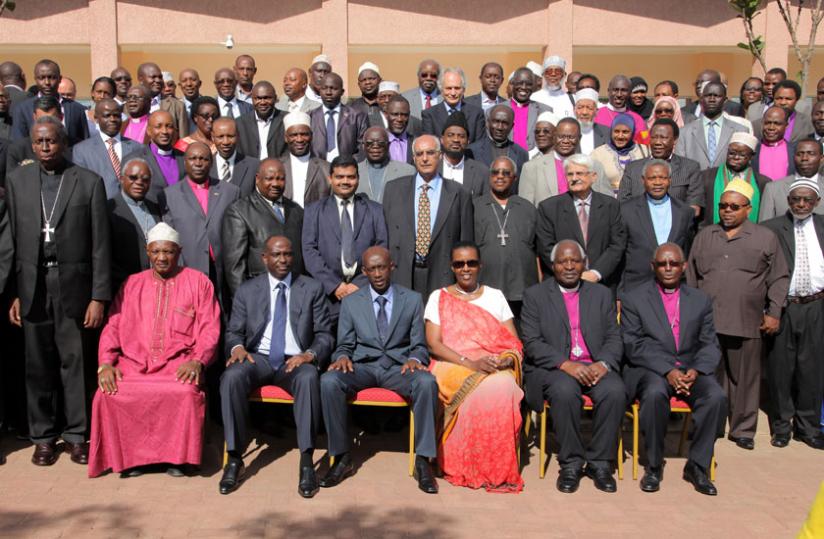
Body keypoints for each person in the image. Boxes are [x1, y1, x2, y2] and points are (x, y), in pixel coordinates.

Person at [6, 117, 111, 466]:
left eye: (51, 141)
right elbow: (11, 242)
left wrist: (99, 296)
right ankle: (44, 436)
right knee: (38, 366)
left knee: (75, 363)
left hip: (74, 288)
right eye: (39, 142)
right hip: (32, 286)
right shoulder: (17, 181)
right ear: (32, 145)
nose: (46, 147)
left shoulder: (88, 182)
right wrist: (14, 294)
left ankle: (78, 435)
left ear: (63, 142)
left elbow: (100, 245)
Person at [88, 223, 220, 478]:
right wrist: (105, 363)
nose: (162, 257)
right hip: (133, 363)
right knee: (109, 393)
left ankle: (179, 460)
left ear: (179, 251)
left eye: (168, 252)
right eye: (156, 251)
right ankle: (131, 459)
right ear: (148, 252)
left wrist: (198, 361)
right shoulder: (131, 284)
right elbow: (113, 326)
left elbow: (209, 329)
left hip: (178, 363)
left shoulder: (198, 282)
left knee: (184, 392)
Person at [319, 246, 440, 494]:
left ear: (391, 266)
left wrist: (415, 358)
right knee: (329, 381)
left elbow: (419, 344)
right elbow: (344, 344)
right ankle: (342, 457)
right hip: (362, 367)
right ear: (364, 271)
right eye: (372, 269)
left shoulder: (412, 299)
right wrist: (342, 356)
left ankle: (423, 460)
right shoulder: (352, 302)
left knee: (427, 383)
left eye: (381, 267)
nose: (377, 274)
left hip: (399, 368)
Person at [219, 235, 333, 497]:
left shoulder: (311, 288)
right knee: (231, 377)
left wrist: (310, 354)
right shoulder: (248, 290)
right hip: (257, 358)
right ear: (265, 258)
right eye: (277, 255)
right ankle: (234, 457)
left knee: (308, 378)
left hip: (294, 360)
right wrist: (237, 349)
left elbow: (325, 334)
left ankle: (306, 461)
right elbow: (233, 332)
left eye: (288, 255)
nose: (283, 260)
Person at [687, 179, 789, 450]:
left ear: (748, 208)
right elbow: (692, 277)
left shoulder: (764, 237)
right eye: (723, 206)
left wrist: (774, 312)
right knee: (710, 375)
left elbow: (779, 277)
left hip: (747, 319)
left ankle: (743, 429)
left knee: (746, 378)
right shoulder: (705, 235)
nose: (727, 211)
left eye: (734, 206)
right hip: (708, 322)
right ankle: (713, 424)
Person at [620, 243, 726, 495]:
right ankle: (654, 465)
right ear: (653, 266)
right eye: (662, 264)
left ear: (684, 266)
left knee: (716, 397)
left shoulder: (700, 300)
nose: (668, 268)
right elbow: (633, 344)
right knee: (655, 395)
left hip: (691, 368)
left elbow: (710, 343)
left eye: (674, 264)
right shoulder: (634, 298)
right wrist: (668, 370)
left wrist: (697, 370)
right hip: (651, 369)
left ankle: (698, 465)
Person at [521, 239, 626, 494]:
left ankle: (600, 463)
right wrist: (565, 364)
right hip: (554, 370)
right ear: (553, 265)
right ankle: (571, 462)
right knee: (565, 392)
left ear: (583, 264)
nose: (569, 266)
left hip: (595, 366)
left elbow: (614, 337)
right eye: (562, 261)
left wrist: (604, 363)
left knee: (615, 392)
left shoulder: (601, 294)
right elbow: (532, 342)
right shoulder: (535, 296)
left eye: (575, 261)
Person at [424, 242, 523, 492]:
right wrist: (471, 363)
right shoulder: (439, 296)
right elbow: (434, 344)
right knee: (479, 389)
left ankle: (495, 467)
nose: (465, 268)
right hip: (452, 363)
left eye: (471, 263)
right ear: (452, 267)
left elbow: (513, 343)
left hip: (492, 363)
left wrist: (503, 360)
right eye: (459, 264)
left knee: (504, 387)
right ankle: (463, 463)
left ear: (480, 266)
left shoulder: (495, 296)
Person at [762, 179, 824, 450]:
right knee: (780, 369)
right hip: (783, 307)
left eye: (806, 200)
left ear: (816, 202)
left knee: (812, 369)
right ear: (788, 201)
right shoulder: (771, 229)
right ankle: (781, 426)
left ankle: (808, 427)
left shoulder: (823, 227)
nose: (800, 204)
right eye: (795, 199)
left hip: (816, 306)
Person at [382, 134, 474, 297]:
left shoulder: (459, 193)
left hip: (442, 275)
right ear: (413, 158)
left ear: (440, 155)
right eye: (419, 154)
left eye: (430, 153)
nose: (424, 159)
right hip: (403, 274)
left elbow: (466, 241)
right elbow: (385, 237)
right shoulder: (393, 189)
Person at [303, 155, 388, 319]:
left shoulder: (375, 210)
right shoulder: (313, 211)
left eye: (350, 177)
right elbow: (309, 251)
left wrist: (359, 284)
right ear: (330, 179)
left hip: (365, 293)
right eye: (339, 177)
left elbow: (382, 249)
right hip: (328, 296)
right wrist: (335, 285)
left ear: (357, 178)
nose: (345, 181)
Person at [164, 142, 240, 305]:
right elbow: (170, 239)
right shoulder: (170, 195)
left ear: (211, 163)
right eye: (193, 158)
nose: (198, 163)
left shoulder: (230, 191)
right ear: (185, 162)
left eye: (203, 159)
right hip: (187, 268)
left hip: (221, 270)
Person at [537, 154, 627, 286]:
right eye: (570, 174)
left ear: (593, 177)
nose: (574, 178)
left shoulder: (610, 206)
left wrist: (596, 273)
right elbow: (546, 247)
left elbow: (617, 244)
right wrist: (575, 272)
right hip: (563, 283)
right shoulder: (549, 208)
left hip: (602, 283)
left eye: (579, 173)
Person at [222, 158, 304, 298]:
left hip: (295, 293)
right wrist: (245, 303)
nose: (275, 184)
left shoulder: (296, 210)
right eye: (269, 178)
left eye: (280, 179)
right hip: (260, 295)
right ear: (257, 179)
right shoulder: (239, 211)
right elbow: (234, 267)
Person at [474, 157, 537, 318]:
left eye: (506, 173)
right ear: (489, 177)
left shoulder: (527, 208)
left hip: (521, 289)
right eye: (495, 172)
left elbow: (536, 251)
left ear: (514, 178)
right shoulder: (474, 206)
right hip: (485, 289)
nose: (500, 176)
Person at [620, 159, 695, 293]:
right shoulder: (626, 210)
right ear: (643, 180)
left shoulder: (685, 212)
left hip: (674, 288)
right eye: (652, 178)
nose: (658, 183)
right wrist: (619, 293)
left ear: (670, 180)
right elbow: (619, 253)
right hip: (636, 288)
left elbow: (687, 252)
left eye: (662, 178)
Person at [618, 119, 703, 215]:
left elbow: (694, 209)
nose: (658, 142)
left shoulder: (690, 168)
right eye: (654, 137)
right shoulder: (633, 168)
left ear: (675, 140)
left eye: (663, 137)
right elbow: (623, 204)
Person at [107, 158, 164, 295]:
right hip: (123, 289)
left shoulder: (155, 209)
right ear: (121, 179)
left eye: (145, 179)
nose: (139, 182)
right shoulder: (108, 209)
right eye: (133, 177)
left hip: (155, 288)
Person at [71, 98, 143, 198]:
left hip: (132, 208)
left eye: (116, 115)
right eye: (107, 115)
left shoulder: (137, 147)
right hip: (100, 207)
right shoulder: (81, 150)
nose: (112, 119)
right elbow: (81, 186)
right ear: (96, 118)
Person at [11, 59, 89, 145]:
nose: (47, 82)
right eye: (42, 78)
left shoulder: (76, 109)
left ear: (59, 79)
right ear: (35, 79)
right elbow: (19, 144)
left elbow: (84, 143)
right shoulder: (22, 109)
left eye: (52, 77)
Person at [699, 132, 769, 228]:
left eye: (742, 155)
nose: (736, 157)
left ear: (752, 156)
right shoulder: (706, 177)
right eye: (732, 153)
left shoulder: (762, 182)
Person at [675, 82, 748, 170]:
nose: (712, 99)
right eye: (708, 96)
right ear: (701, 99)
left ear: (725, 101)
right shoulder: (684, 132)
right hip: (696, 182)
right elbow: (680, 167)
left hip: (728, 182)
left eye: (717, 96)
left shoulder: (740, 130)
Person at [123, 110, 185, 204]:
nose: (164, 131)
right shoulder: (133, 160)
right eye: (158, 126)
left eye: (169, 126)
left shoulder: (185, 158)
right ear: (149, 131)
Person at [519, 117, 582, 206]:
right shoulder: (532, 167)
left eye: (571, 137)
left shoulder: (594, 166)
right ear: (554, 137)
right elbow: (526, 208)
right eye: (561, 137)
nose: (565, 141)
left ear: (579, 138)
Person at [760, 139, 824, 221]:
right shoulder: (773, 189)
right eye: (799, 154)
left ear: (821, 158)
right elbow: (764, 227)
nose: (804, 158)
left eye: (811, 154)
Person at [309, 73, 368, 162]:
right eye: (324, 88)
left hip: (347, 170)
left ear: (342, 92)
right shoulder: (310, 116)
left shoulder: (357, 116)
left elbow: (363, 147)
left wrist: (349, 164)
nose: (328, 92)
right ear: (319, 91)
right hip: (318, 169)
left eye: (334, 88)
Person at [591, 113, 651, 196]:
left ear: (633, 132)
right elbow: (594, 185)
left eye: (625, 132)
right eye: (616, 131)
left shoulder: (645, 151)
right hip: (608, 204)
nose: (620, 136)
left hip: (638, 204)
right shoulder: (597, 154)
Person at [422, 67, 486, 144]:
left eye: (457, 88)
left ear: (463, 90)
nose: (453, 93)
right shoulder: (429, 115)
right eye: (449, 88)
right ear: (441, 90)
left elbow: (480, 146)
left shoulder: (476, 114)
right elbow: (431, 146)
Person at [280, 111, 331, 207]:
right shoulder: (277, 166)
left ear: (311, 136)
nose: (299, 139)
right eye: (294, 135)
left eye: (304, 134)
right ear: (286, 138)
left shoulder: (326, 168)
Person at [356, 126, 414, 202]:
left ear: (388, 145)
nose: (375, 146)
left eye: (381, 143)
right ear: (363, 146)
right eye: (370, 143)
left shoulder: (407, 172)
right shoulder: (353, 172)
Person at [467, 104, 529, 176]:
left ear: (512, 126)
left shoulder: (521, 153)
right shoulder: (472, 151)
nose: (500, 127)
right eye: (496, 121)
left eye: (505, 123)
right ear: (487, 123)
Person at [437, 112, 488, 197]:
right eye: (450, 135)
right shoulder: (432, 168)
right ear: (442, 139)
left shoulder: (481, 172)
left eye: (461, 136)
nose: (456, 139)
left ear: (468, 141)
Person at [235, 81, 286, 162]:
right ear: (252, 99)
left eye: (267, 98)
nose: (262, 102)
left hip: (279, 171)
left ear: (275, 98)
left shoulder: (286, 120)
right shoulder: (240, 123)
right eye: (258, 98)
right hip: (250, 172)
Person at [506, 67, 552, 154]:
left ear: (533, 86)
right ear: (513, 84)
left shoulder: (545, 110)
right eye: (520, 83)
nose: (524, 87)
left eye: (528, 84)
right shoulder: (496, 110)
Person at [753, 80, 813, 145]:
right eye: (779, 98)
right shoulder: (757, 125)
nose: (783, 102)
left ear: (797, 100)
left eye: (788, 99)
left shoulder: (808, 123)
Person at [210, 117, 260, 196]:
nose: (226, 142)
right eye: (220, 137)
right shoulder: (205, 166)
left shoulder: (254, 166)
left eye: (230, 136)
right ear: (212, 137)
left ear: (238, 136)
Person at [136, 63, 188, 137]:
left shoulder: (178, 106)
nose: (157, 80)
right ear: (141, 79)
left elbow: (183, 140)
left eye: (160, 77)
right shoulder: (130, 106)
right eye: (153, 77)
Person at [593, 75, 648, 145]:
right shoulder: (595, 115)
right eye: (615, 90)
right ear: (608, 91)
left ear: (630, 93)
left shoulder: (638, 119)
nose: (619, 94)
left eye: (624, 90)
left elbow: (645, 145)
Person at [753, 106, 795, 180]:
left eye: (777, 124)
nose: (771, 127)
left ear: (786, 125)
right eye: (767, 123)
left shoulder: (794, 151)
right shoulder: (752, 150)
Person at [385, 95, 419, 165]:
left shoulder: (417, 143)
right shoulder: (376, 142)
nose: (399, 119)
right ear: (386, 114)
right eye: (395, 114)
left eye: (404, 115)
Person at [574, 89, 609, 156]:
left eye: (589, 108)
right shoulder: (566, 132)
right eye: (580, 107)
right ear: (574, 110)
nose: (584, 112)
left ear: (596, 111)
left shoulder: (607, 132)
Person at [348, 62, 383, 127]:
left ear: (379, 80)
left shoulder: (387, 105)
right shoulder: (351, 107)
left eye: (371, 78)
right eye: (363, 80)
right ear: (359, 84)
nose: (367, 82)